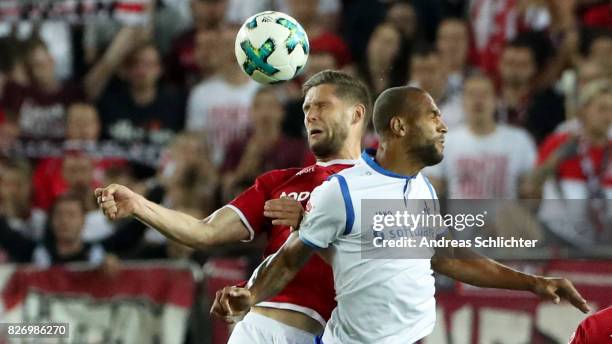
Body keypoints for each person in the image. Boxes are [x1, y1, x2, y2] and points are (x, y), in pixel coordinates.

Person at [212, 86, 590, 344]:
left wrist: (534, 283)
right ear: (399, 126)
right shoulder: (343, 191)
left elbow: (445, 255)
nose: (444, 126)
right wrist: (252, 295)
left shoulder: (421, 188)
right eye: (433, 116)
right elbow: (291, 259)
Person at [95, 70, 370, 344]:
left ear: (356, 114)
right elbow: (205, 232)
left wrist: (311, 224)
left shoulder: (389, 189)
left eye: (322, 106)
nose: (310, 115)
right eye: (306, 107)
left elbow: (397, 277)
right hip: (257, 330)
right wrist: (139, 205)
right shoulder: (280, 182)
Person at [426, 73, 536, 199]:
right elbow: (431, 189)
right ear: (463, 101)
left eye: (484, 94)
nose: (478, 101)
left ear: (496, 100)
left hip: (505, 217)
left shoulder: (519, 140)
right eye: (471, 94)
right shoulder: (444, 142)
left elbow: (531, 192)